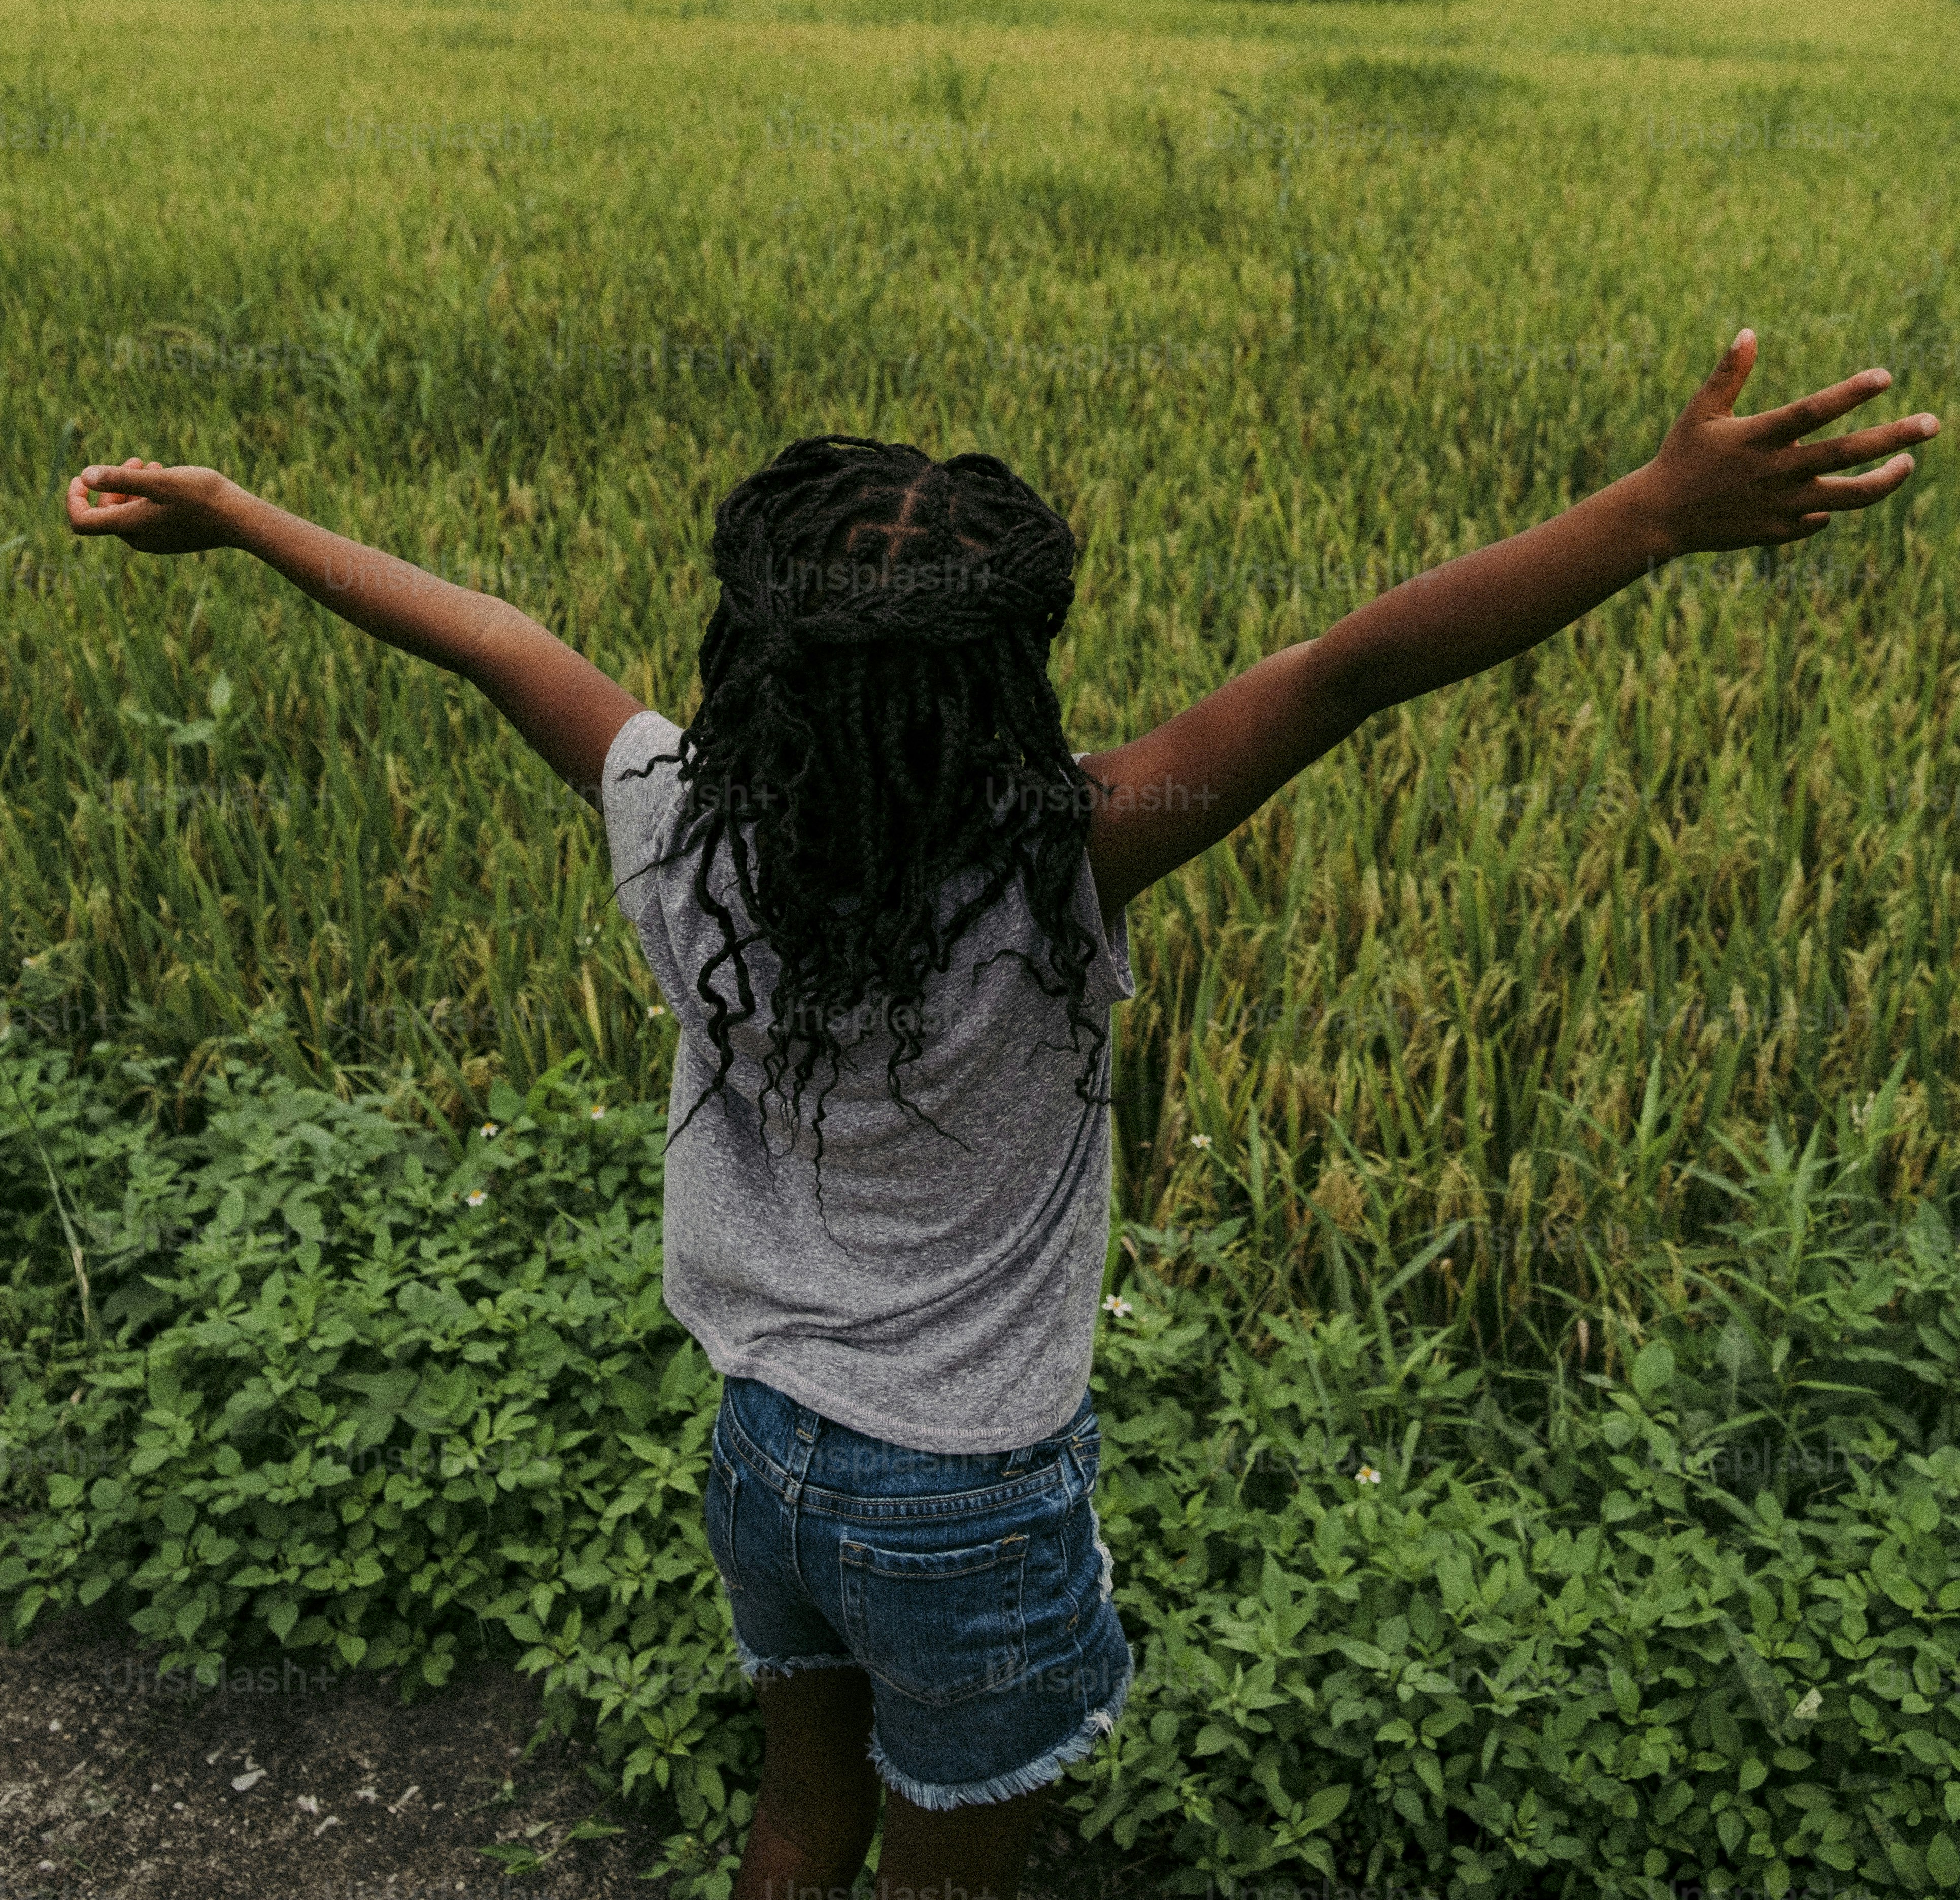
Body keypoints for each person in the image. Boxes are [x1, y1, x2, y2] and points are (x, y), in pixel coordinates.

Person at [65, 332, 1936, 1900]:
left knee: (802, 1809)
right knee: (957, 1869)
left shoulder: (667, 819)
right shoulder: (1068, 863)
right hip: (963, 1502)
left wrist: (235, 515)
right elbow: (1353, 669)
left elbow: (490, 635)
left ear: (751, 663)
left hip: (763, 1452)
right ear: (1008, 681)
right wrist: (1653, 512)